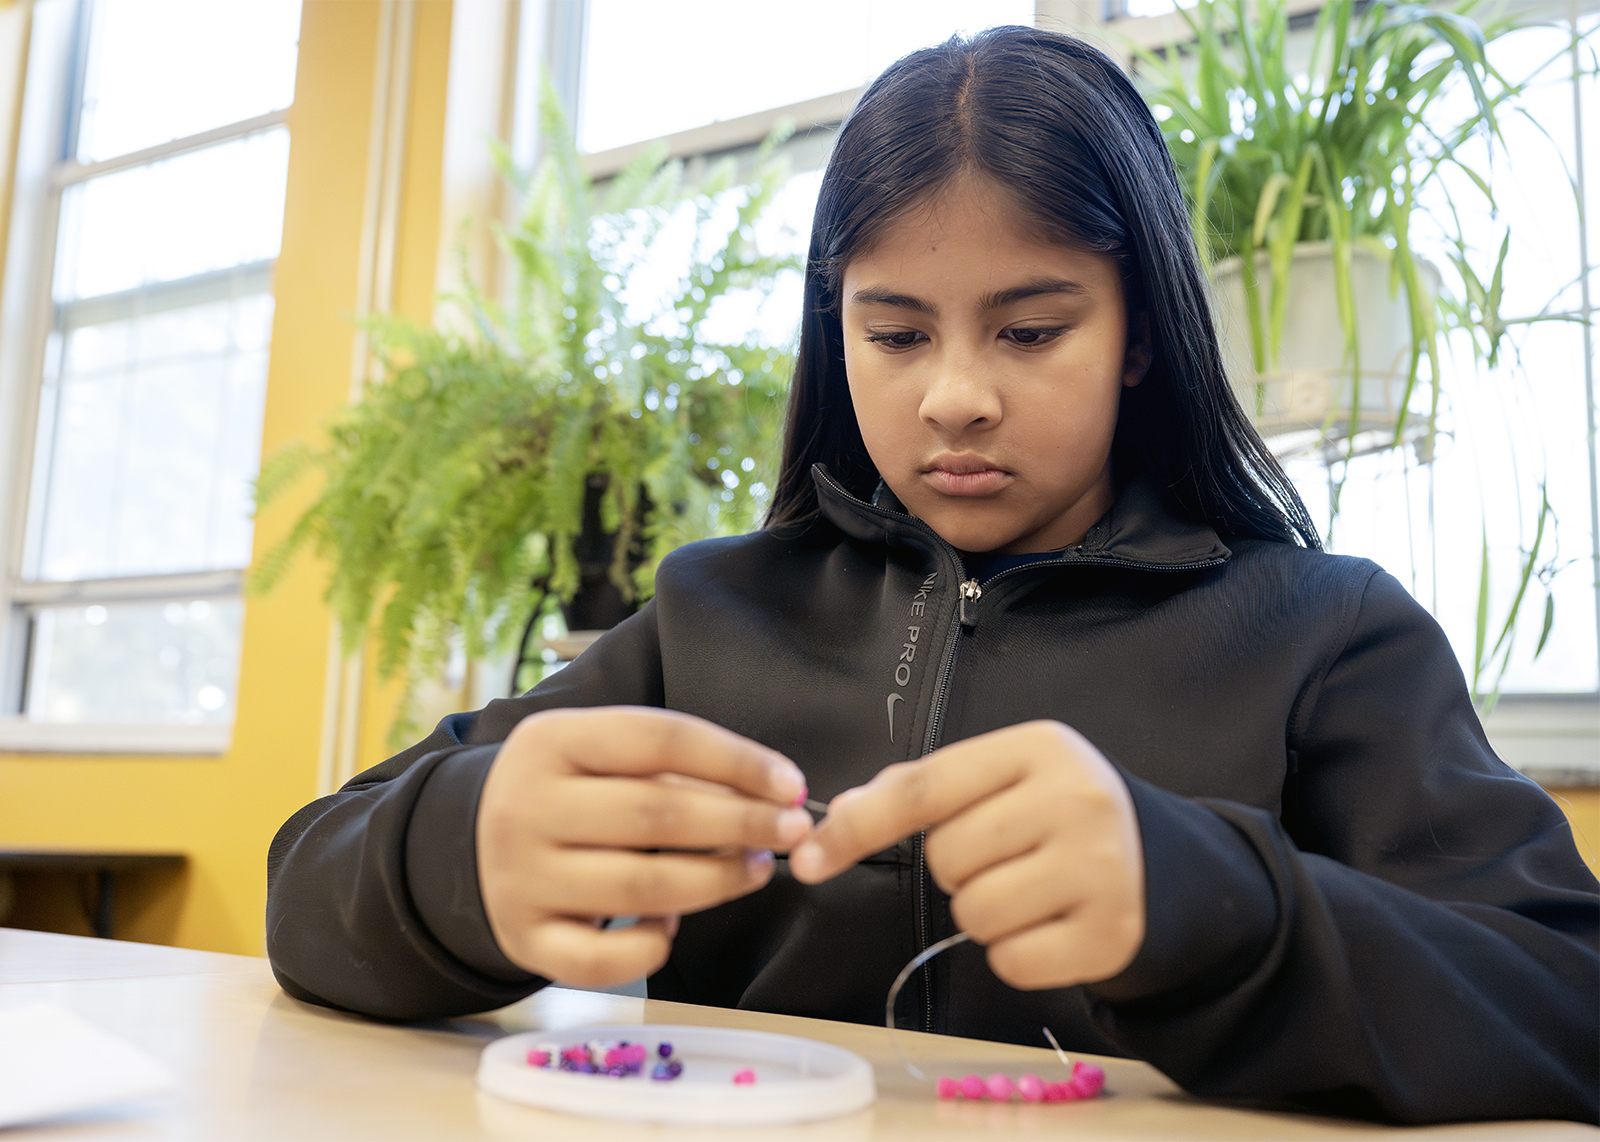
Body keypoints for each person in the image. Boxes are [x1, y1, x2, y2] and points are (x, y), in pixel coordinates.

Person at [264, 26, 1599, 1125]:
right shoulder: (710, 616)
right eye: (894, 331)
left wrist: (1224, 906)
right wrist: (457, 853)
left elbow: (1565, 998)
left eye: (1031, 328)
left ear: (1141, 334)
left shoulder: (1325, 631)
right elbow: (304, 884)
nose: (954, 396)